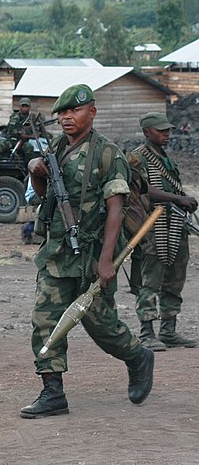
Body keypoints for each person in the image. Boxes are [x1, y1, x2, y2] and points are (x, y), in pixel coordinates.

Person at [20, 84, 154, 419]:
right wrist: (36, 171)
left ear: (91, 112)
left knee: (101, 324)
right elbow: (43, 196)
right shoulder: (56, 148)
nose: (67, 117)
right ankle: (53, 393)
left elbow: (116, 210)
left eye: (74, 111)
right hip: (56, 252)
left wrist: (107, 259)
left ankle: (138, 357)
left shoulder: (108, 153)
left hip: (93, 251)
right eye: (62, 113)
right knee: (45, 320)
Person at [127, 112, 197, 351]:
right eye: (161, 130)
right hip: (152, 226)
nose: (167, 134)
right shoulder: (137, 158)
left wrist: (183, 200)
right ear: (147, 132)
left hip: (175, 225)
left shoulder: (165, 158)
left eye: (168, 130)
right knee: (150, 280)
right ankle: (147, 332)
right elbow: (143, 190)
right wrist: (179, 198)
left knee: (174, 279)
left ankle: (168, 330)